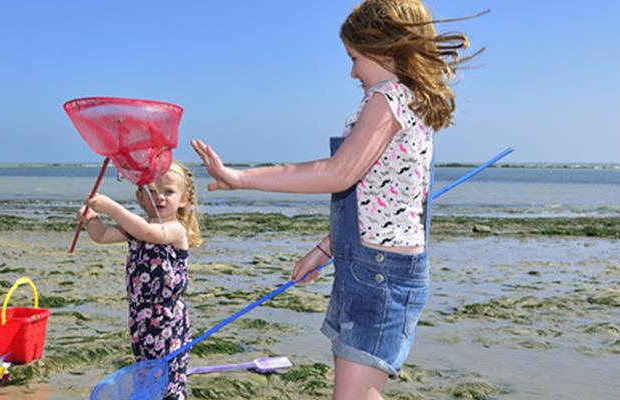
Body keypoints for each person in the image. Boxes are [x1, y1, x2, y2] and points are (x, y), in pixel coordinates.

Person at [191, 1, 482, 398]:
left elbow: (338, 173)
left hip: (381, 275)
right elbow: (381, 199)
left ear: (384, 49)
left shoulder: (389, 99)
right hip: (367, 265)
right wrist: (325, 249)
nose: (352, 71)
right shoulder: (402, 102)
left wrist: (241, 177)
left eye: (354, 57)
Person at [77, 161, 202, 400]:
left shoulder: (175, 230)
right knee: (145, 370)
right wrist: (92, 219)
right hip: (139, 315)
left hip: (167, 319)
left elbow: (148, 233)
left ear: (184, 199)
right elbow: (102, 236)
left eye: (169, 192)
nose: (160, 198)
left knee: (167, 376)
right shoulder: (135, 229)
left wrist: (111, 207)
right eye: (152, 192)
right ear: (140, 197)